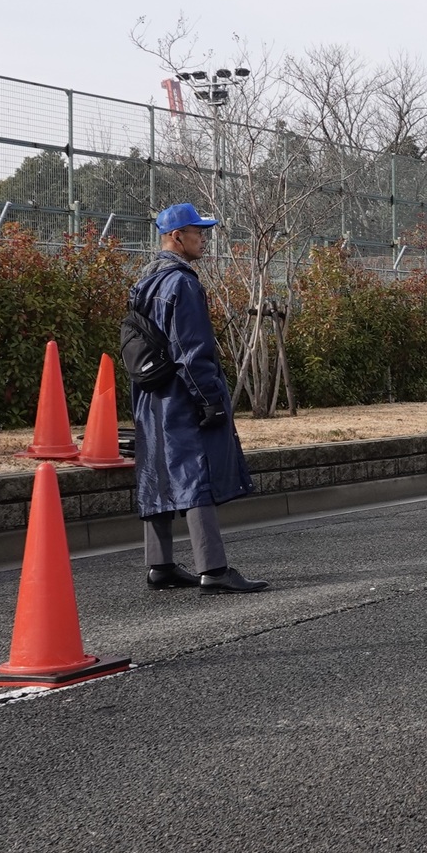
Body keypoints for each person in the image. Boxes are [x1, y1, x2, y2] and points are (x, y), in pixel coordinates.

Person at [130, 204, 267, 595]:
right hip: (181, 393)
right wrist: (209, 399)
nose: (203, 238)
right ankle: (214, 568)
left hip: (150, 392)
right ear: (176, 237)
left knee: (157, 472)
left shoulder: (144, 281)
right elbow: (192, 350)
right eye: (197, 232)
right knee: (196, 473)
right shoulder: (182, 283)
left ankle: (160, 565)